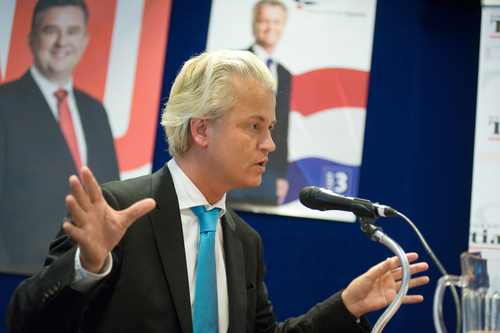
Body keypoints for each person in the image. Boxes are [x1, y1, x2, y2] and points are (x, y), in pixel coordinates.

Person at [6, 50, 428, 333]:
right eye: (254, 126)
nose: (270, 144)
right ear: (202, 128)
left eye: (270, 128)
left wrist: (346, 305)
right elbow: (24, 321)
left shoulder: (245, 241)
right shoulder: (120, 211)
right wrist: (86, 266)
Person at [0, 0, 119, 274]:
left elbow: (111, 197)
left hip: (91, 275)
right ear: (32, 39)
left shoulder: (96, 110)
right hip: (21, 277)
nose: (62, 41)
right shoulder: (4, 104)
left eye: (73, 31)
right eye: (51, 30)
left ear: (85, 39)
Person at [228, 0, 290, 206]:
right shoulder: (234, 63)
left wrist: (281, 174)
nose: (270, 27)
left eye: (276, 21)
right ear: (253, 23)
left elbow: (282, 128)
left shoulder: (285, 73)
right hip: (233, 167)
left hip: (268, 173)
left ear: (282, 26)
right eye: (264, 20)